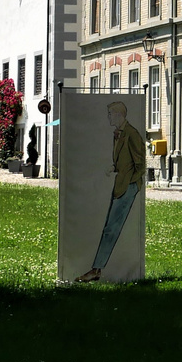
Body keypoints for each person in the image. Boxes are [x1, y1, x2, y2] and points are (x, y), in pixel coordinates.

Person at [74, 101, 148, 283]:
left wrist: (130, 181)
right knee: (109, 227)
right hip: (120, 184)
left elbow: (141, 165)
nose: (108, 117)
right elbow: (125, 159)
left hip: (127, 186)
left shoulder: (132, 134)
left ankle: (96, 269)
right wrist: (115, 167)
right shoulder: (118, 134)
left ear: (119, 115)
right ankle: (97, 269)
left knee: (111, 229)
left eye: (110, 114)